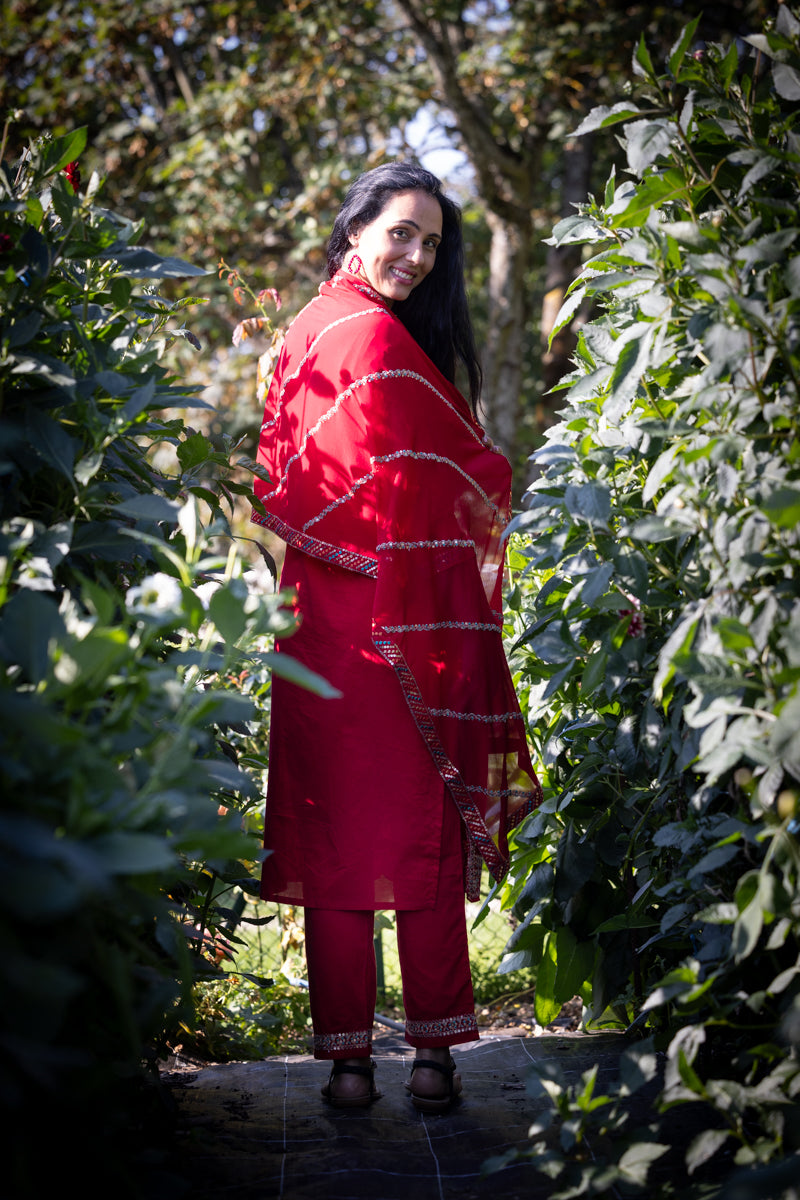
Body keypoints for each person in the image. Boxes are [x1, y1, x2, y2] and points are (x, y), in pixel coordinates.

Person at [252, 161, 541, 1111]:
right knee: (418, 837)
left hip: (314, 625)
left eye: (431, 242)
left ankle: (344, 1064)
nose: (416, 256)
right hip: (393, 624)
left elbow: (277, 480)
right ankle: (433, 1056)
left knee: (335, 839)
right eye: (401, 233)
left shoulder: (303, 331)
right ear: (354, 227)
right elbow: (466, 472)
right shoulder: (374, 335)